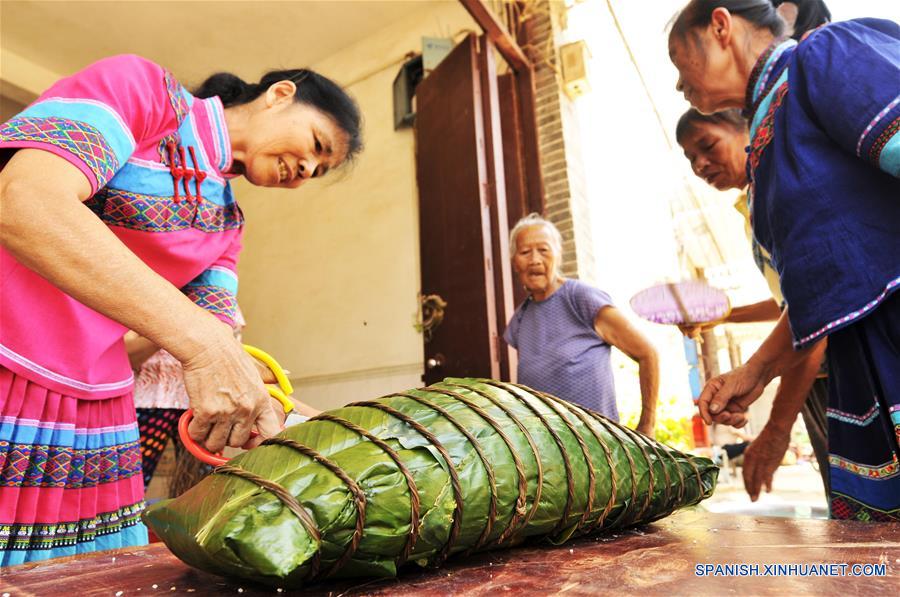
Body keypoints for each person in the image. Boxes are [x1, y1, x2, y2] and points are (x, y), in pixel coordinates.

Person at [0, 54, 362, 564]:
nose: (305, 171)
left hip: (97, 407)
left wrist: (336, 429)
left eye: (317, 172)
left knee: (81, 574)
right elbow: (25, 203)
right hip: (8, 364)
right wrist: (206, 346)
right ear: (280, 95)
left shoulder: (227, 225)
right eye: (316, 147)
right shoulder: (145, 92)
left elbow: (213, 340)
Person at [668, 0, 900, 521]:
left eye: (680, 63)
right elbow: (830, 282)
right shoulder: (767, 141)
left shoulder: (819, 58)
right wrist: (755, 371)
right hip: (865, 373)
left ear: (721, 26)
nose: (680, 86)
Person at [676, 107, 830, 499]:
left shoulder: (784, 190)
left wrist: (777, 428)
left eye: (707, 145)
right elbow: (791, 305)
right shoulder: (753, 206)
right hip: (818, 375)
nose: (699, 165)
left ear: (749, 129)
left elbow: (819, 307)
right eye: (690, 158)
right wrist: (723, 317)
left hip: (843, 372)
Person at [504, 214, 659, 436]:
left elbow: (647, 353)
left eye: (544, 250)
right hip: (546, 451)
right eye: (525, 252)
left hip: (596, 444)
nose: (535, 260)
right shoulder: (520, 320)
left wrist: (647, 424)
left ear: (558, 255)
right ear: (514, 263)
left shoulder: (581, 298)